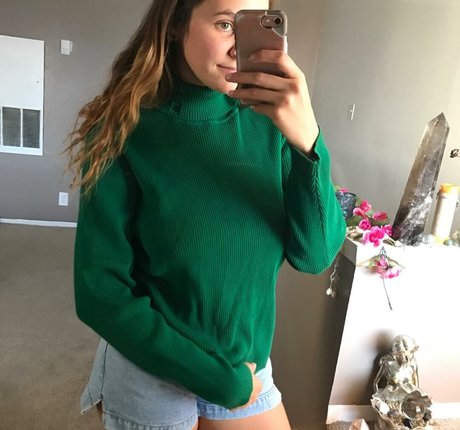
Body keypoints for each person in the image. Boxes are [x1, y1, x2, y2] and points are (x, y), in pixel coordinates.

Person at [65, 0, 346, 428]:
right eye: (225, 24)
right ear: (176, 24)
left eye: (255, 24)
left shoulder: (272, 123)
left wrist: (308, 140)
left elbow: (315, 255)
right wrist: (219, 381)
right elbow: (99, 290)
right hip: (152, 368)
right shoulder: (123, 128)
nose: (240, 46)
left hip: (244, 361)